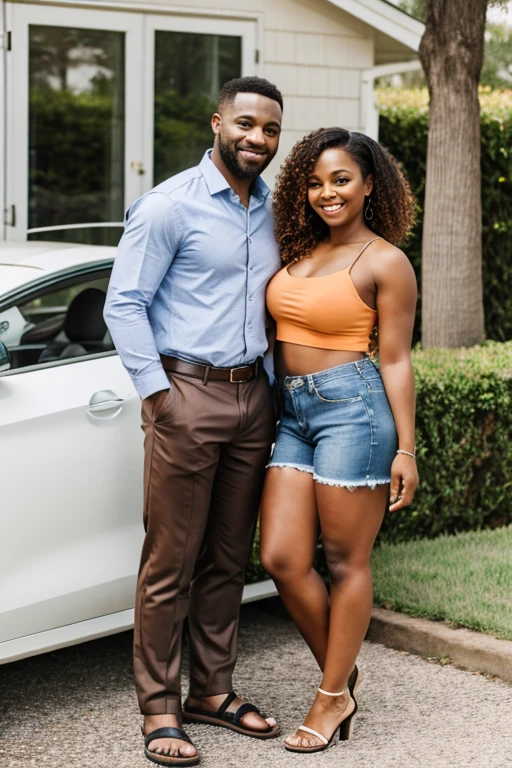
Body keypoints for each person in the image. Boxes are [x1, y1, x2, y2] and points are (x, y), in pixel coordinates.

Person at [104, 76, 284, 767]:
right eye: (245, 124)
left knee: (226, 558)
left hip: (252, 399)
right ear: (217, 122)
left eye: (268, 130)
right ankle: (159, 706)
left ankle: (212, 691)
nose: (256, 140)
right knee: (170, 561)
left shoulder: (273, 209)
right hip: (187, 394)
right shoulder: (167, 206)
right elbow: (125, 305)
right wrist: (159, 396)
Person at [261, 127, 419, 753]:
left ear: (369, 184)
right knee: (280, 557)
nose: (327, 193)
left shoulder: (384, 260)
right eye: (316, 181)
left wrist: (406, 448)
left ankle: (329, 697)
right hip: (293, 412)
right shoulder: (298, 250)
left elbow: (398, 359)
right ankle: (342, 673)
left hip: (353, 410)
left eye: (342, 180)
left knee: (345, 560)